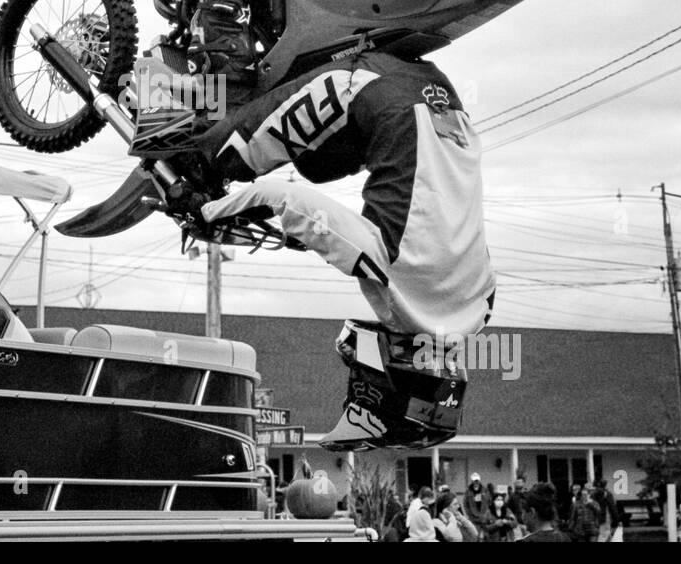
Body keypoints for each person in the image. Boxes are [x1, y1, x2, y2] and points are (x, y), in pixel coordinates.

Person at [158, 48, 495, 449]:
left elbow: (390, 223)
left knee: (315, 164)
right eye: (360, 382)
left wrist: (299, 237)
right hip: (374, 85)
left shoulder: (478, 305)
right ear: (389, 380)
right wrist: (207, 209)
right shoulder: (392, 284)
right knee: (227, 154)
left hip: (445, 108)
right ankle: (223, 24)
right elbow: (288, 200)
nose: (353, 367)